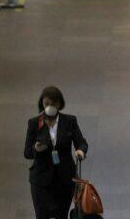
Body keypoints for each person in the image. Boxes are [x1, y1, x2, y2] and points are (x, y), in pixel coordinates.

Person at [24, 86, 88, 219]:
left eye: (53, 104)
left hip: (64, 179)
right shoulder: (34, 123)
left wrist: (80, 151)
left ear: (59, 104)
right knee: (42, 215)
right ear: (42, 103)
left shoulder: (70, 121)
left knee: (62, 214)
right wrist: (36, 149)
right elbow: (27, 152)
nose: (49, 106)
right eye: (47, 103)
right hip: (40, 180)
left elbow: (81, 142)